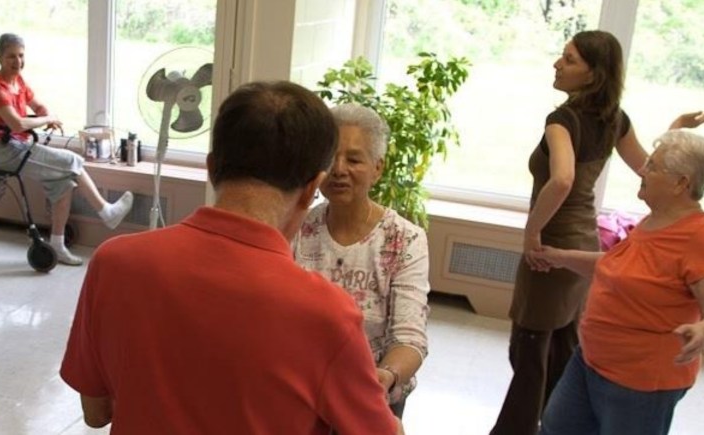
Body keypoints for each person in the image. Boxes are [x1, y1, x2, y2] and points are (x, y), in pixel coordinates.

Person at [60, 81, 401, 434]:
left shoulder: (114, 262)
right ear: (313, 188)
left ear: (211, 168)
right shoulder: (327, 314)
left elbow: (96, 413)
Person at [491, 30, 704, 435]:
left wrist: (532, 233)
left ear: (593, 74)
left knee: (529, 351)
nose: (558, 64)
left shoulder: (562, 121)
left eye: (570, 59)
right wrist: (677, 128)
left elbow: (562, 180)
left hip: (554, 244)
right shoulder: (615, 119)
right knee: (560, 346)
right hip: (583, 242)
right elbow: (648, 168)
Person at [534, 130, 704, 435]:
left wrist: (703, 332)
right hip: (590, 360)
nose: (642, 170)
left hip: (640, 382)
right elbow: (618, 268)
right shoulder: (655, 220)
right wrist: (560, 257)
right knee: (554, 427)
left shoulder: (701, 237)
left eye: (653, 166)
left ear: (681, 183)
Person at [294, 103, 430, 418]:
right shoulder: (298, 227)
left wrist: (386, 376)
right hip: (303, 391)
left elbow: (410, 337)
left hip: (372, 394)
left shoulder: (404, 239)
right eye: (330, 158)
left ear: (377, 168)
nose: (339, 169)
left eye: (354, 160)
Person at [0, 33, 134, 265]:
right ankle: (106, 212)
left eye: (21, 55)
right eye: (11, 56)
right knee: (72, 161)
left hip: (17, 145)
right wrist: (47, 119)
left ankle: (58, 246)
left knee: (64, 184)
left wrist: (44, 113)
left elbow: (37, 104)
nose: (18, 61)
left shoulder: (18, 82)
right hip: (2, 152)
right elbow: (17, 124)